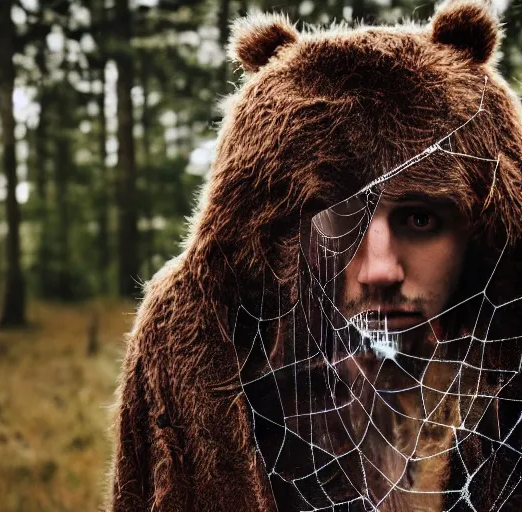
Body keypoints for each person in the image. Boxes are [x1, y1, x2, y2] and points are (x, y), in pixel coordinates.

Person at [108, 1, 522, 511]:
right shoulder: (217, 377)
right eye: (336, 220)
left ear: (484, 229)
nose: (379, 271)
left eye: (419, 220)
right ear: (276, 240)